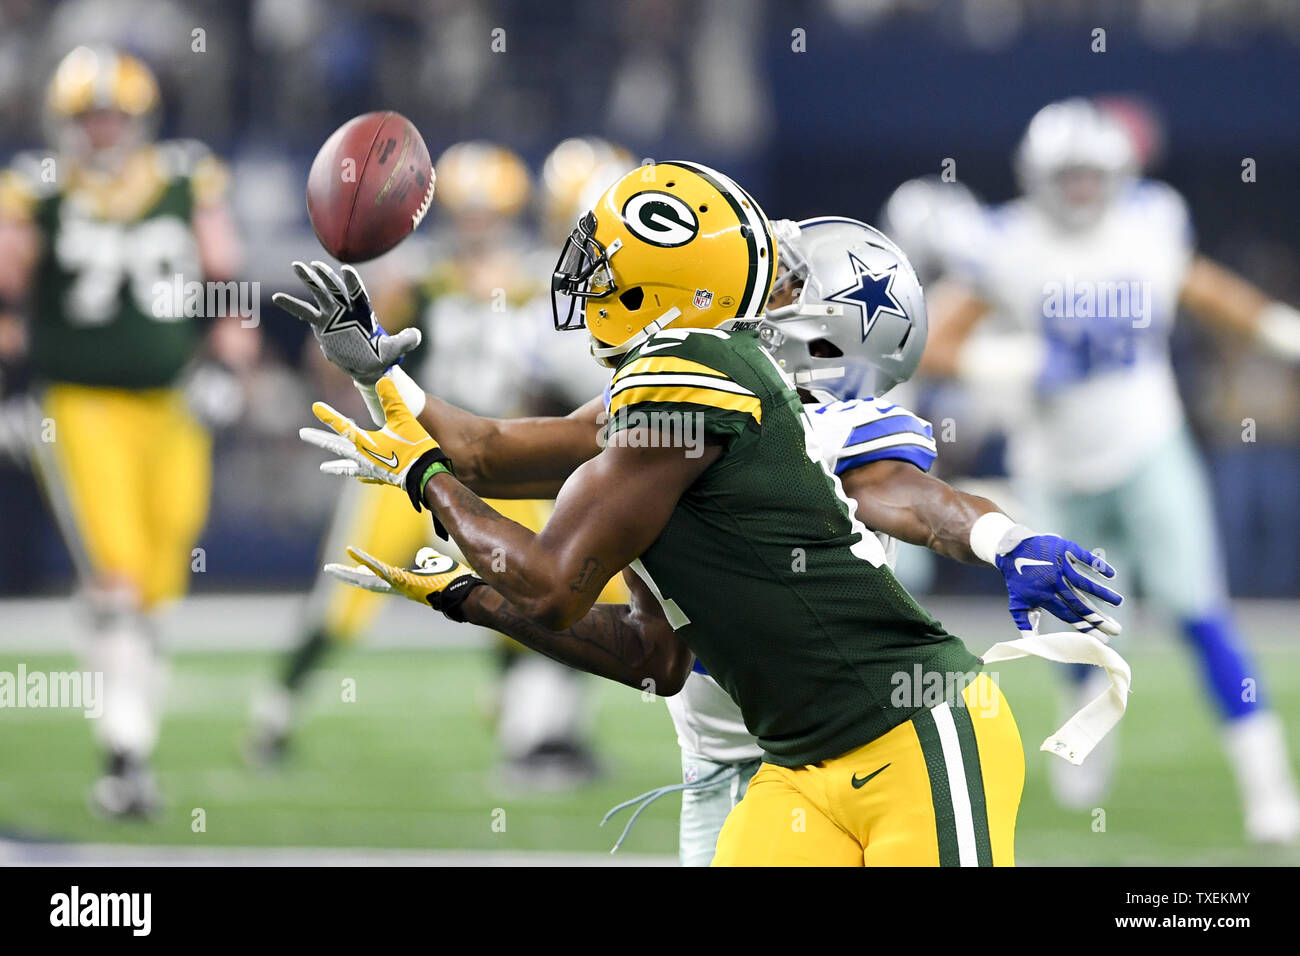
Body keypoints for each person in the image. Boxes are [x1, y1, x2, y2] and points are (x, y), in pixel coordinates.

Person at [281, 162, 1124, 865]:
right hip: (763, 753)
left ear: (829, 330)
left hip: (890, 727)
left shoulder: (754, 404)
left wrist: (999, 537)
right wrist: (380, 385)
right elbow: (648, 645)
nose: (764, 291)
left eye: (789, 280)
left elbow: (907, 498)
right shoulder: (668, 408)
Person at [920, 98, 1300, 843]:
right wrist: (1016, 360)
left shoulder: (1150, 225)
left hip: (1149, 446)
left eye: (1094, 174)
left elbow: (1215, 295)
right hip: (1054, 462)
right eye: (1068, 175)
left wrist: (1288, 335)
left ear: (1119, 172)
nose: (1083, 190)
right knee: (1073, 623)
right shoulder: (1007, 244)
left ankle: (1268, 783)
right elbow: (929, 344)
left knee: (1199, 612)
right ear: (1037, 175)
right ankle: (1085, 722)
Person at [0, 45, 242, 817]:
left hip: (170, 404)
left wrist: (227, 366)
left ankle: (130, 733)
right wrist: (10, 386)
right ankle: (126, 756)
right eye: (87, 116)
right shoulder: (35, 189)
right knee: (117, 574)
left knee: (162, 581)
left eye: (113, 115)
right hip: (79, 404)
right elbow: (5, 292)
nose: (101, 131)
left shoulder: (184, 178)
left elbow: (224, 276)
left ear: (140, 119)